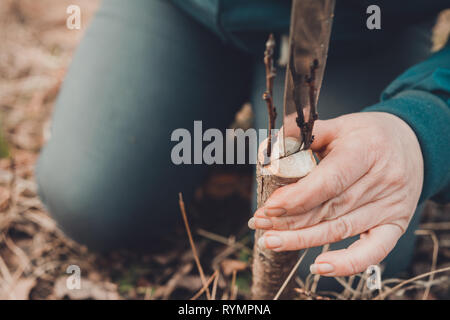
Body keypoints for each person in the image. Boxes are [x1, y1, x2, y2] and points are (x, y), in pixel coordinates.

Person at [36, 0, 449, 279]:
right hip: (185, 11)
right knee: (92, 200)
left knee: (329, 269)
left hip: (360, 32)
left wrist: (424, 119)